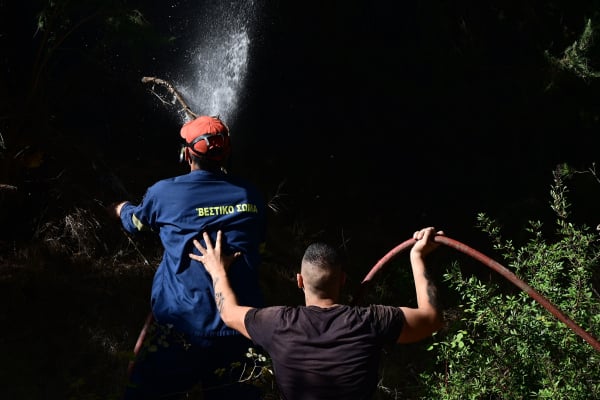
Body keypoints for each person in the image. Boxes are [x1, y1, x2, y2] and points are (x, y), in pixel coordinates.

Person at [111, 115, 266, 399]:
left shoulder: (165, 192)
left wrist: (121, 208)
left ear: (186, 154)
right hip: (241, 329)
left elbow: (137, 224)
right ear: (227, 154)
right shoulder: (252, 196)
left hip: (181, 328)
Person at [190, 227, 444, 400]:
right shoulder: (371, 321)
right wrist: (417, 256)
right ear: (343, 280)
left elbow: (228, 312)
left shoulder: (277, 323)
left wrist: (217, 270)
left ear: (299, 281)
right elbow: (431, 318)